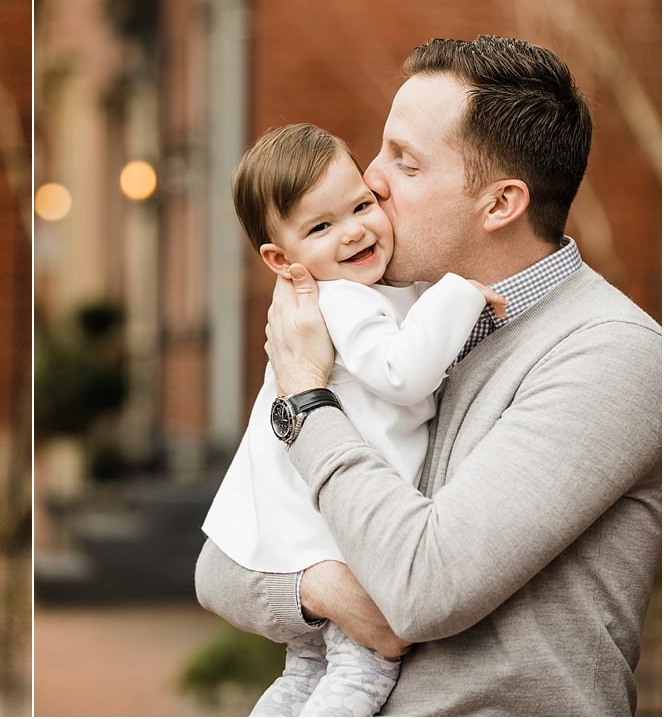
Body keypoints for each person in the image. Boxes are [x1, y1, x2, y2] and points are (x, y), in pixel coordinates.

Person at [196, 36, 662, 716]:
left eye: (405, 162)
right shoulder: (392, 322)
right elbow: (218, 569)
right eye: (380, 150)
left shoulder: (613, 356)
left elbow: (423, 587)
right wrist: (321, 589)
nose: (370, 180)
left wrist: (304, 399)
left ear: (500, 204)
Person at [203, 123, 503, 716]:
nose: (355, 230)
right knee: (363, 670)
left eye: (361, 205)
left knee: (306, 671)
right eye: (322, 227)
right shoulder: (342, 301)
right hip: (338, 534)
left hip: (311, 526)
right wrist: (458, 294)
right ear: (280, 259)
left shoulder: (351, 296)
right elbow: (403, 373)